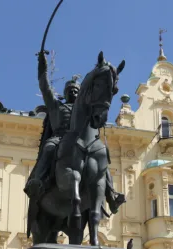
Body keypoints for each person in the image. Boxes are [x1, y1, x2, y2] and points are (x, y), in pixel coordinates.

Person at [25, 51, 125, 214]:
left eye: (76, 90)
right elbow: (44, 86)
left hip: (82, 140)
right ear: (64, 93)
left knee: (101, 158)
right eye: (70, 90)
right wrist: (42, 65)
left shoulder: (86, 109)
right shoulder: (56, 106)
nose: (73, 92)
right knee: (49, 148)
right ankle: (37, 180)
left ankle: (111, 193)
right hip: (59, 138)